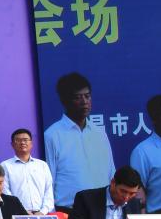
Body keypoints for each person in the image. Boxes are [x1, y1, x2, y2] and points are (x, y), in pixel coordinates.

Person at [44, 72, 115, 210]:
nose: (84, 102)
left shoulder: (99, 133)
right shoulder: (52, 135)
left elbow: (111, 172)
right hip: (68, 210)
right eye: (78, 97)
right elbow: (48, 181)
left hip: (101, 209)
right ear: (64, 101)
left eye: (87, 96)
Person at [66, 166, 143, 219]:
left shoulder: (134, 204)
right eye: (123, 191)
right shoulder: (86, 198)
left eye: (132, 193)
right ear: (113, 183)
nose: (126, 197)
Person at [1, 128, 54, 214]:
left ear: (31, 143)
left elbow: (48, 191)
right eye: (18, 140)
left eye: (25, 140)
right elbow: (5, 193)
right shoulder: (5, 166)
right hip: (18, 214)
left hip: (42, 215)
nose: (22, 143)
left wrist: (42, 212)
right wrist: (22, 211)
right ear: (12, 145)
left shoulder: (42, 165)